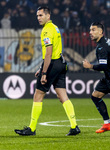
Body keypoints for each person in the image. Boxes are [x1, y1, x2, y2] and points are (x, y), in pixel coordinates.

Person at [14, 6, 80, 136]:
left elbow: (48, 54)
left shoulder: (46, 31)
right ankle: (74, 126)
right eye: (37, 16)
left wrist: (44, 73)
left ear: (48, 16)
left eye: (41, 15)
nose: (38, 18)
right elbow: (54, 51)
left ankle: (31, 129)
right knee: (62, 96)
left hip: (53, 64)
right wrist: (41, 68)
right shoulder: (55, 28)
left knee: (38, 95)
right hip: (61, 63)